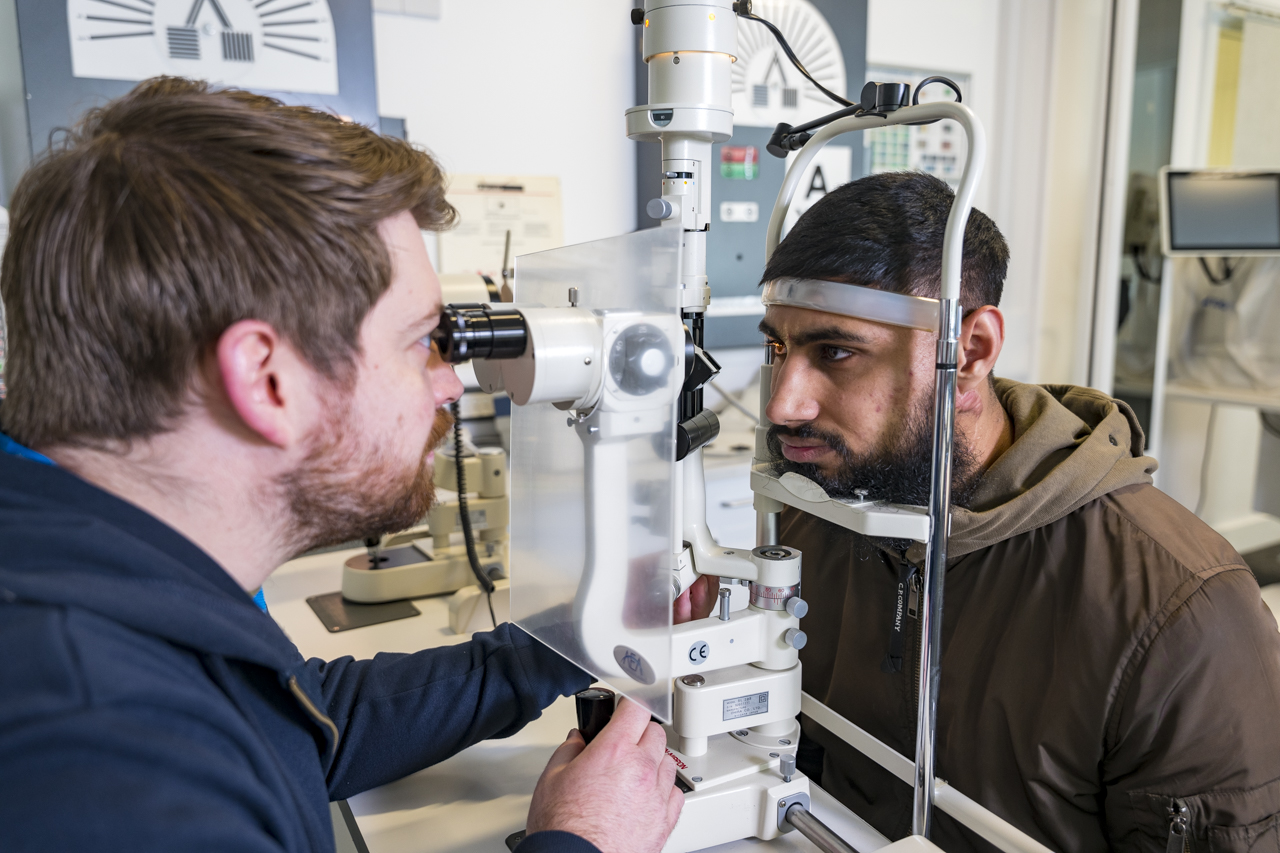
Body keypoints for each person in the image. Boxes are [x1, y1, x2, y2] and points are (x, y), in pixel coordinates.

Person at [0, 78, 683, 853]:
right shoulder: (96, 755)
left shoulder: (110, 575)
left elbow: (295, 725)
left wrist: (560, 647)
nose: (449, 381)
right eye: (418, 340)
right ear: (267, 380)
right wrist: (585, 840)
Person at [760, 171, 1280, 852]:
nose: (783, 403)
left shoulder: (1182, 613)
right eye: (778, 348)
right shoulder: (821, 512)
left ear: (971, 350)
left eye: (836, 352)